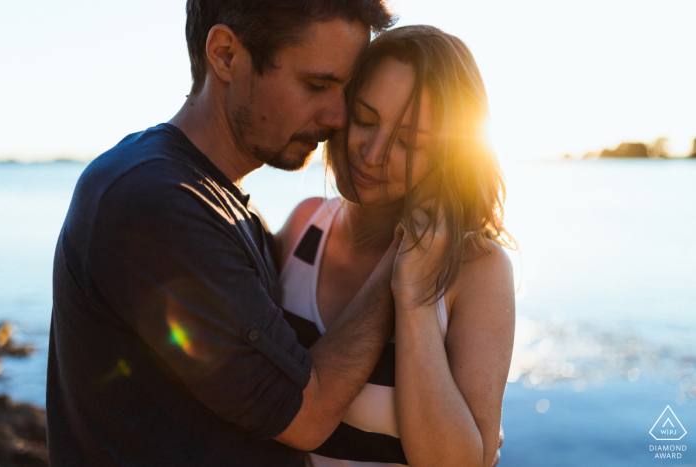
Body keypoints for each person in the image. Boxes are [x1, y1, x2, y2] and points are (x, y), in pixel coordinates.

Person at [43, 2, 451, 466]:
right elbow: (308, 414)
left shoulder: (217, 198)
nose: (339, 117)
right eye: (316, 84)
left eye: (347, 90)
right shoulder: (154, 202)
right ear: (225, 55)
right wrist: (406, 254)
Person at [277, 25, 516, 467]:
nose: (373, 152)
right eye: (365, 119)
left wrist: (413, 301)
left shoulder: (477, 269)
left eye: (408, 142)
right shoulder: (303, 226)